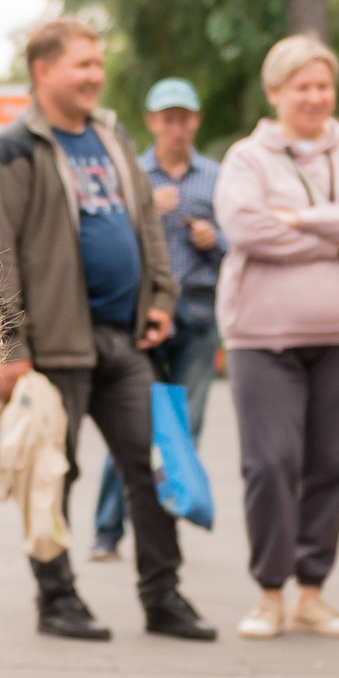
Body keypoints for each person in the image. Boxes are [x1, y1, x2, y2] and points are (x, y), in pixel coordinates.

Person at [0, 18, 214, 643]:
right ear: (43, 71)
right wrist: (10, 347)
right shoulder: (12, 152)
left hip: (125, 340)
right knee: (53, 473)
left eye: (98, 64)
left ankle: (164, 599)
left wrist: (160, 295)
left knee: (154, 466)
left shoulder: (110, 136)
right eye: (82, 64)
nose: (95, 76)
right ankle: (57, 599)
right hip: (54, 350)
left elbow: (144, 228)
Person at [214, 34, 339, 640]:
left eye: (323, 85)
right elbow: (246, 226)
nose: (316, 97)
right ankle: (269, 592)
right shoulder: (248, 158)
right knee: (271, 462)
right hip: (262, 339)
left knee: (329, 464)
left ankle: (312, 592)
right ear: (275, 93)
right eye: (303, 87)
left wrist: (302, 219)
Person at [91, 77, 223, 561]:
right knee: (132, 422)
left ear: (195, 122)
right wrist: (140, 209)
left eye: (184, 118)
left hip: (198, 316)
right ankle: (107, 531)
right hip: (144, 316)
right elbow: (108, 239)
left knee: (185, 425)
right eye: (167, 118)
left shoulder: (216, 176)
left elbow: (241, 244)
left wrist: (215, 238)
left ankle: (167, 521)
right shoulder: (131, 175)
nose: (176, 127)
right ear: (152, 123)